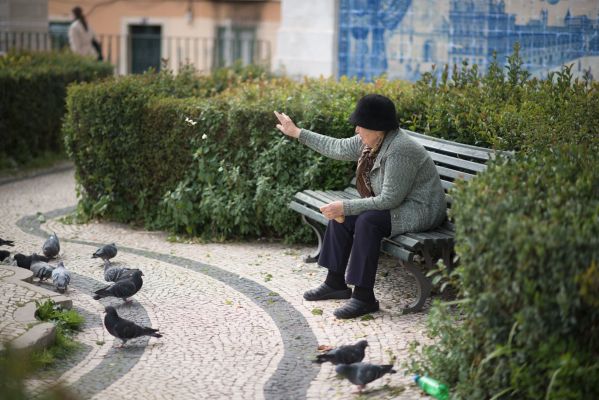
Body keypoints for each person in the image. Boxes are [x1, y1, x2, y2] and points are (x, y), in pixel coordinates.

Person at [274, 94, 447, 319]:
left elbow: (389, 200)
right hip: (399, 203)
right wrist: (297, 132)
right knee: (344, 215)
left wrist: (345, 206)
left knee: (366, 220)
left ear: (378, 128)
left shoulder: (399, 149)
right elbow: (337, 147)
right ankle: (335, 283)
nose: (356, 130)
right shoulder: (372, 140)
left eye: (360, 125)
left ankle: (364, 297)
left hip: (421, 209)